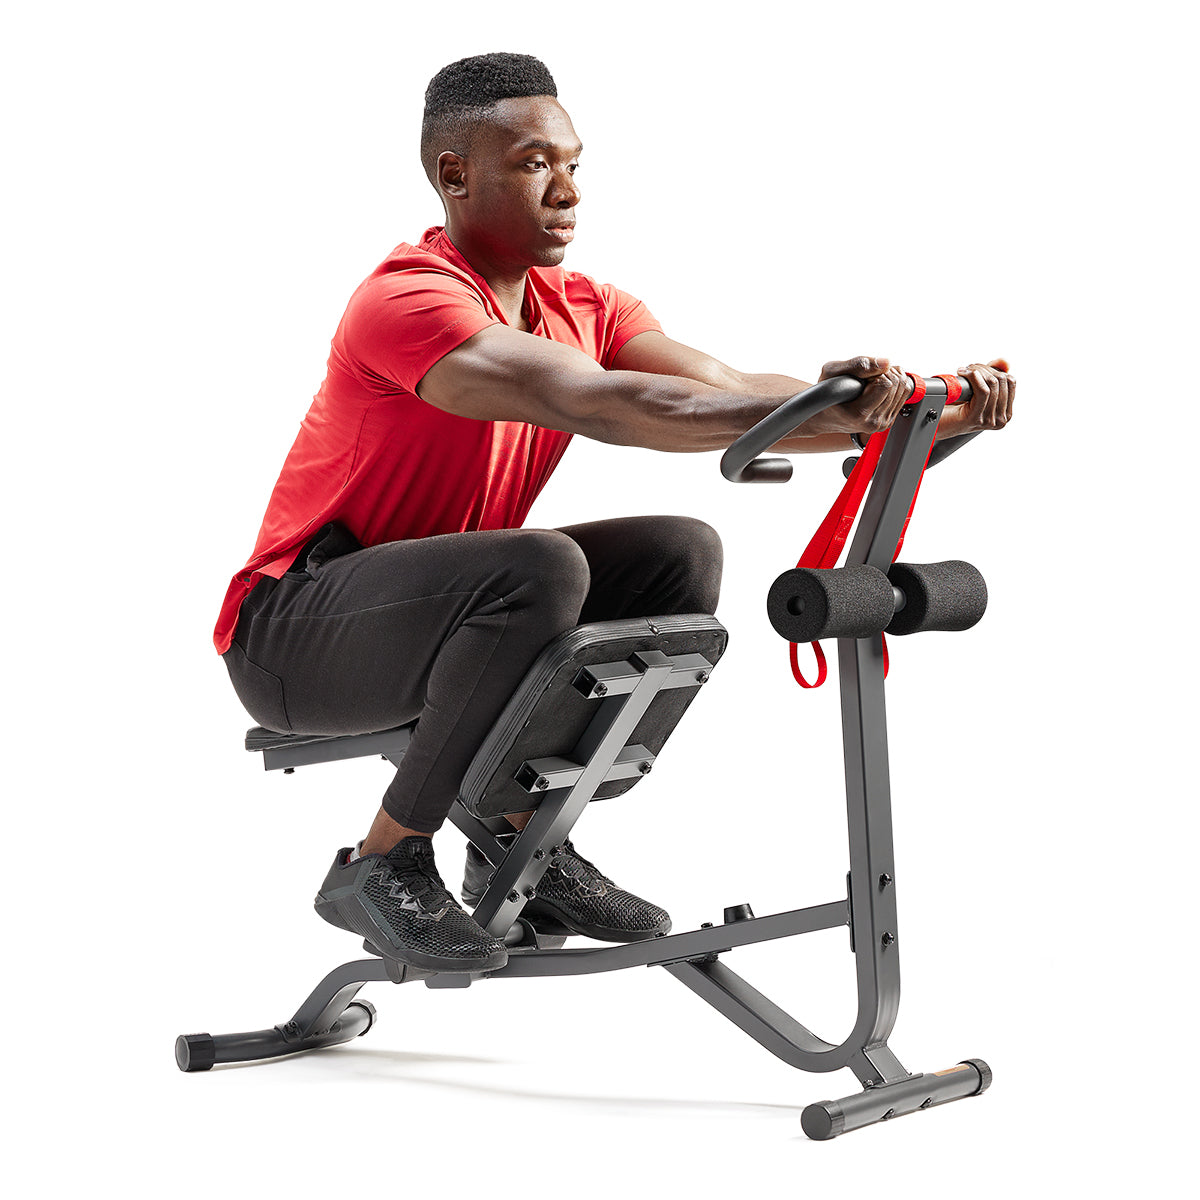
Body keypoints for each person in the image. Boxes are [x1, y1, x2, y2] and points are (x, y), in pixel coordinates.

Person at [215, 52, 1014, 976]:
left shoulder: (586, 304)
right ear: (454, 174)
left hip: (430, 617)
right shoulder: (406, 301)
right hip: (293, 634)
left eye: (573, 164)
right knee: (539, 566)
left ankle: (521, 842)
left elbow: (727, 385)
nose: (568, 192)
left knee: (678, 553)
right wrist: (834, 413)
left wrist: (908, 410)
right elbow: (597, 400)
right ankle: (383, 862)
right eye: (534, 165)